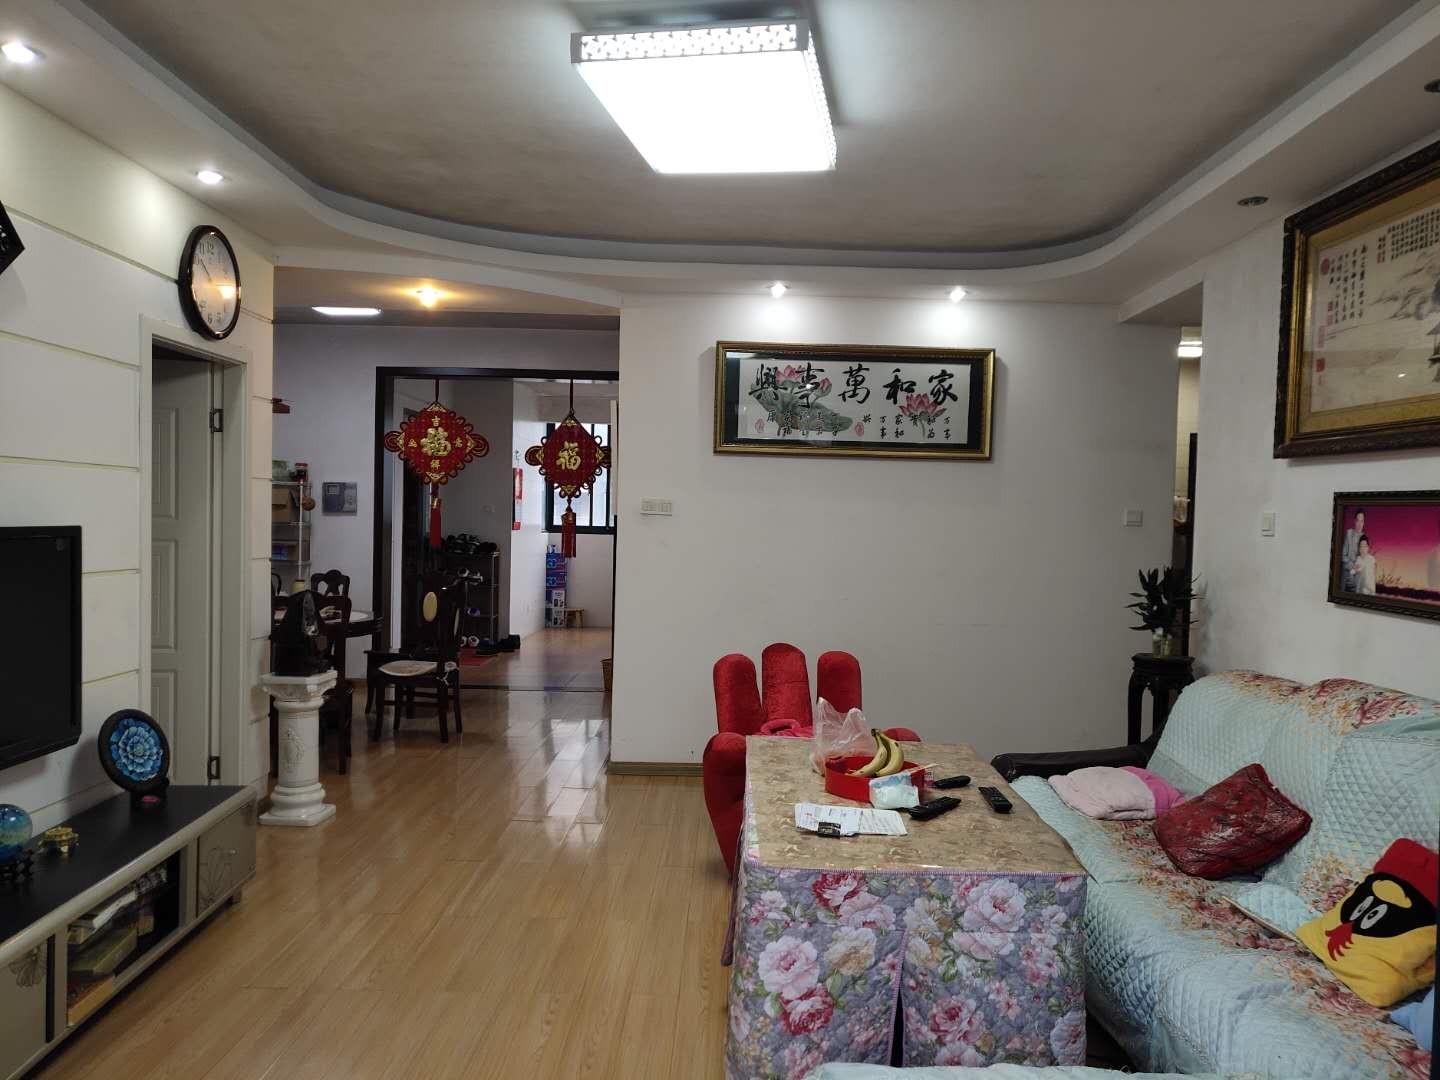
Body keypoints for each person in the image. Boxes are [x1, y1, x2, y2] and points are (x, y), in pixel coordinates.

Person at [1341, 509, 1366, 592]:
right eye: (1358, 521)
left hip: (1358, 575)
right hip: (1347, 571)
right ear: (1354, 521)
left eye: (1362, 521)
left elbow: (1363, 560)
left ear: (1364, 523)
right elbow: (1343, 556)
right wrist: (1352, 566)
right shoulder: (1348, 533)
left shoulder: (1364, 538)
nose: (1359, 524)